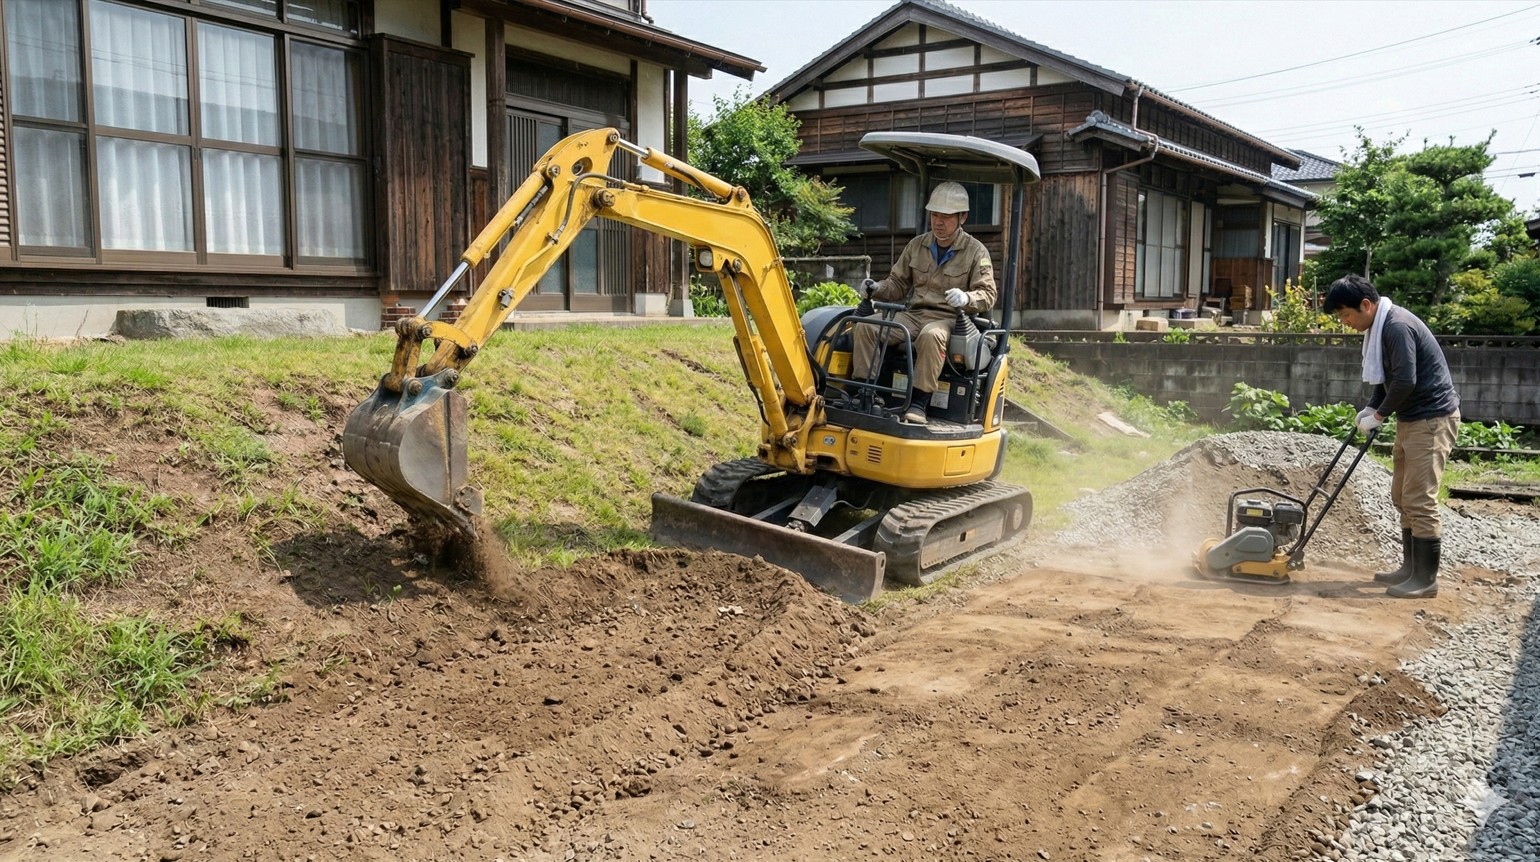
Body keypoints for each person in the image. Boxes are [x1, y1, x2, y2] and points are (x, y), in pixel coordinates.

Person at [1322, 274, 1460, 599]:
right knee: (1401, 495)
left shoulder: (1396, 326)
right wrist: (1370, 408)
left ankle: (1425, 579)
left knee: (1419, 499)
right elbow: (1385, 379)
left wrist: (1380, 414)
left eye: (1346, 315)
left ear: (1366, 305)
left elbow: (1405, 380)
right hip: (1412, 419)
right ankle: (1410, 569)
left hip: (1431, 420)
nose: (1346, 323)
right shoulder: (1380, 327)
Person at [850, 181, 997, 425]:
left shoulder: (976, 252)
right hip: (914, 314)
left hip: (949, 318)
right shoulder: (916, 246)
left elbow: (988, 294)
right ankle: (863, 393)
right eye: (935, 215)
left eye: (946, 217)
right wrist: (876, 288)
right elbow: (897, 284)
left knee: (931, 336)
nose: (938, 222)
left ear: (963, 217)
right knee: (867, 326)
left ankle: (919, 403)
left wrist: (967, 297)